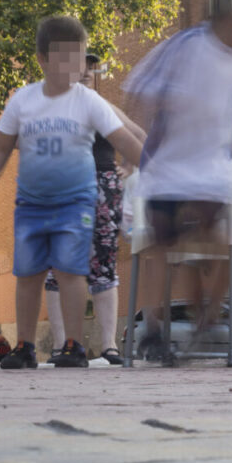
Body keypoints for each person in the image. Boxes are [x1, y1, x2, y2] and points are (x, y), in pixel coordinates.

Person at [122, 0, 232, 361]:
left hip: (212, 172)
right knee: (165, 249)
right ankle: (153, 329)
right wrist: (148, 129)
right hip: (169, 169)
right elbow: (138, 86)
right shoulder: (187, 46)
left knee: (221, 241)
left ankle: (206, 313)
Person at [0, 16, 143, 369]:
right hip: (38, 199)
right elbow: (0, 138)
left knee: (84, 270)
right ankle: (38, 346)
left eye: (83, 61)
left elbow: (133, 137)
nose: (78, 69)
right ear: (44, 61)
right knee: (38, 272)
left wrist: (144, 167)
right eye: (67, 59)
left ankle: (90, 345)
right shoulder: (29, 100)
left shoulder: (93, 102)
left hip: (86, 194)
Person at [42, 54, 146, 365]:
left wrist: (126, 169)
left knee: (103, 264)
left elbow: (139, 136)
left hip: (101, 186)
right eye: (79, 66)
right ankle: (62, 345)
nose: (87, 72)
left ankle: (109, 346)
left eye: (90, 67)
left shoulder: (102, 106)